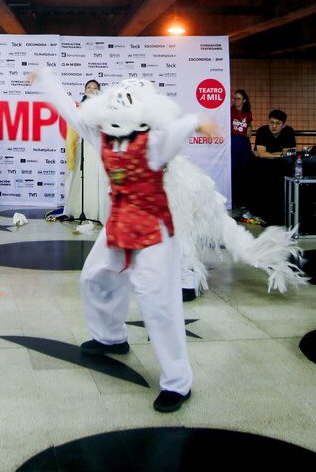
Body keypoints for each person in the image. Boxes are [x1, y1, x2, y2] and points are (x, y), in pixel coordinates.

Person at [30, 69, 212, 413]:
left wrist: (195, 122)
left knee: (156, 301)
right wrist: (46, 81)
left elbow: (177, 130)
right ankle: (111, 336)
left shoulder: (155, 142)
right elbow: (72, 112)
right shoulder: (103, 137)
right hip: (119, 221)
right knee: (95, 275)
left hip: (153, 228)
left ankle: (178, 381)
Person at [64, 79, 106, 225]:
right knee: (84, 177)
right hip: (84, 146)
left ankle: (98, 212)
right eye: (89, 87)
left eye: (95, 88)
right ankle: (81, 211)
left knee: (97, 178)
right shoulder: (79, 107)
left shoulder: (104, 108)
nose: (91, 89)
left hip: (98, 147)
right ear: (84, 90)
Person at [229, 89, 253, 209]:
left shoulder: (248, 113)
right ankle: (233, 199)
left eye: (238, 98)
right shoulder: (230, 111)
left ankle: (243, 200)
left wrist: (250, 128)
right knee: (234, 169)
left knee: (244, 170)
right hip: (233, 141)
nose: (235, 100)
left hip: (244, 143)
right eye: (234, 98)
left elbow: (249, 125)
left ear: (244, 100)